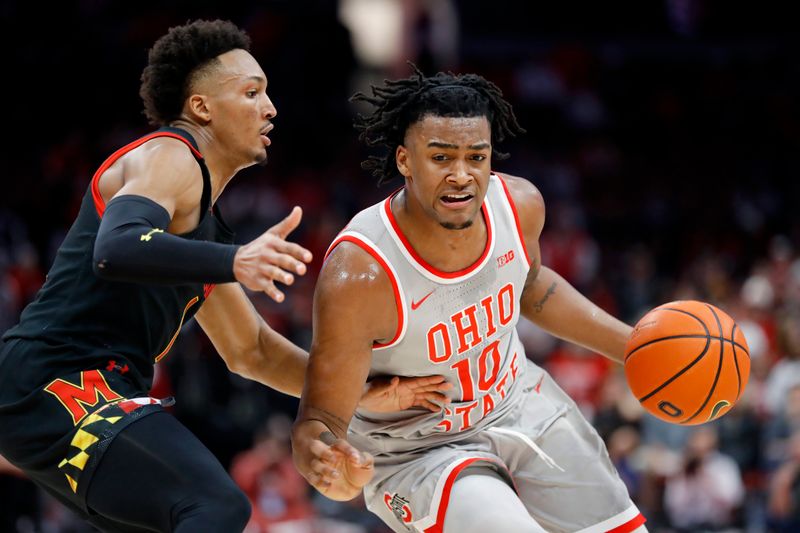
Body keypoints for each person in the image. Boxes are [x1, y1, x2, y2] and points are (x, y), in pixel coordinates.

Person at [0, 20, 448, 533]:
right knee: (216, 507)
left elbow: (251, 350)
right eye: (252, 92)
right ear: (202, 108)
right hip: (56, 381)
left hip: (78, 391)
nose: (270, 107)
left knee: (186, 517)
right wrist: (234, 262)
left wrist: (351, 390)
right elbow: (116, 247)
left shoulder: (200, 225)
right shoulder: (170, 155)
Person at [292, 66, 649, 532]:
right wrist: (326, 460)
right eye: (441, 158)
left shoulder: (519, 205)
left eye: (475, 158)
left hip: (517, 403)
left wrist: (634, 348)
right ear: (404, 160)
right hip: (417, 448)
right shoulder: (360, 273)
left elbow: (532, 288)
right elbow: (318, 418)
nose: (461, 176)